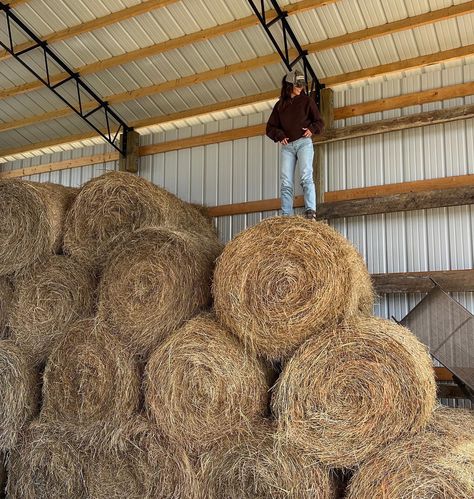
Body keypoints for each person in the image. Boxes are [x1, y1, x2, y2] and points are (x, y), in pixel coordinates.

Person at [266, 70, 324, 219]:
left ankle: (310, 211)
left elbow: (319, 121)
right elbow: (270, 128)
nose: (301, 88)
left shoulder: (307, 101)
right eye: (297, 85)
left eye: (302, 85)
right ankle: (287, 215)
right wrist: (279, 135)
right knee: (286, 181)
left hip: (304, 143)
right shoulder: (280, 105)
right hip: (287, 147)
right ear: (289, 85)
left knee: (306, 176)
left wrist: (312, 129)